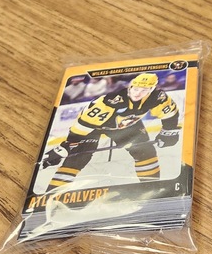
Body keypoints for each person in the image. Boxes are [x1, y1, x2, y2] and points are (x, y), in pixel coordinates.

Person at [43, 72, 180, 192]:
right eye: (135, 89)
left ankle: (152, 190)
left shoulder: (157, 98)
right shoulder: (111, 102)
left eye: (144, 90)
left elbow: (170, 115)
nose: (138, 93)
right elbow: (83, 125)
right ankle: (49, 196)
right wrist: (66, 146)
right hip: (94, 128)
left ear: (152, 89)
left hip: (126, 125)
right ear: (130, 87)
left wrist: (168, 132)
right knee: (77, 159)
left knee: (145, 152)